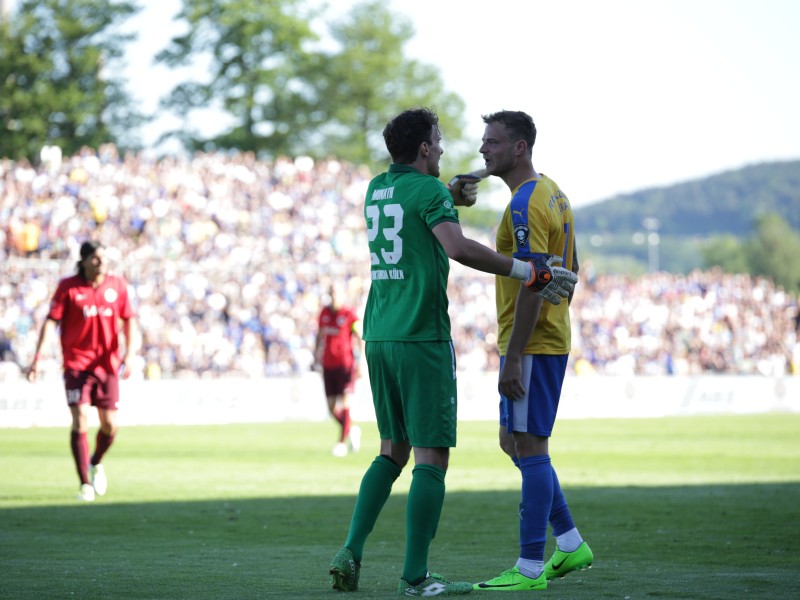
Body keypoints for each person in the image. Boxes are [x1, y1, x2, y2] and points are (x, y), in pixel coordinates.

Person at [328, 107, 577, 596]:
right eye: (437, 141)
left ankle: (350, 550)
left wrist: (450, 195)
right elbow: (456, 248)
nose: (443, 148)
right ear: (424, 148)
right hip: (421, 337)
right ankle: (415, 577)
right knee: (430, 459)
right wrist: (528, 272)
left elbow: (417, 207)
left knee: (390, 450)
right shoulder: (429, 193)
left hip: (378, 333)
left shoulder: (377, 189)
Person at [472, 111, 593, 592]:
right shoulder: (553, 192)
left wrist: (516, 354)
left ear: (519, 147)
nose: (483, 150)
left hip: (533, 343)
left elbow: (533, 281)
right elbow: (572, 268)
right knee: (514, 440)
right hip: (546, 336)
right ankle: (569, 542)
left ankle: (528, 569)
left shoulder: (523, 205)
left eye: (492, 143)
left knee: (530, 446)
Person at [27, 240, 138, 502]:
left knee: (110, 426)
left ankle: (95, 461)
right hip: (77, 364)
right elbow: (51, 322)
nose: (101, 263)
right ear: (85, 260)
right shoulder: (68, 287)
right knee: (80, 420)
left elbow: (130, 321)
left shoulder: (117, 285)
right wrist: (38, 357)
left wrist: (130, 354)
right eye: (96, 258)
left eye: (104, 258)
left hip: (108, 365)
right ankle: (84, 485)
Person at [314, 283, 362, 457]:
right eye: (331, 293)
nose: (334, 297)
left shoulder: (349, 314)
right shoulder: (324, 313)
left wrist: (362, 362)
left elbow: (359, 336)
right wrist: (315, 356)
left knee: (346, 402)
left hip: (345, 365)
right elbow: (319, 336)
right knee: (331, 408)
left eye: (336, 294)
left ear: (342, 296)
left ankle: (341, 443)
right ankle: (351, 429)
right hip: (328, 365)